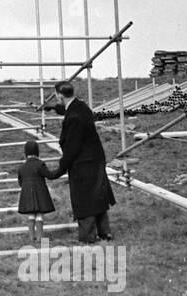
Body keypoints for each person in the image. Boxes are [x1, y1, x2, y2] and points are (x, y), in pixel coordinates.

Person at [44, 80, 116, 243]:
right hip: (95, 159)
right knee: (97, 195)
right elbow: (67, 109)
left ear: (59, 95)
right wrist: (53, 108)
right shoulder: (81, 107)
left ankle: (89, 236)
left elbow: (72, 148)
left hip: (83, 162)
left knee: (84, 199)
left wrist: (59, 170)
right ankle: (105, 232)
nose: (56, 99)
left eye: (56, 97)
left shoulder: (74, 118)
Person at [15, 139, 55, 240]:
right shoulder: (40, 164)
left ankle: (32, 237)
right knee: (39, 216)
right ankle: (40, 238)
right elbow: (49, 175)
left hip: (27, 194)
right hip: (40, 193)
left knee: (31, 215)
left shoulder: (22, 167)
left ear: (25, 152)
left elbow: (20, 182)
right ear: (37, 151)